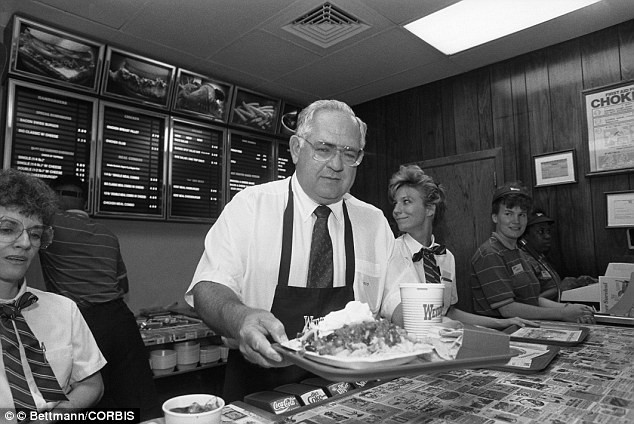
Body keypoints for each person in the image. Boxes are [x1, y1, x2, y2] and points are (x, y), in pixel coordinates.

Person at [185, 99, 395, 402]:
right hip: (261, 389)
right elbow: (208, 288)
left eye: (349, 154)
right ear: (297, 149)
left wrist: (425, 325)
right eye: (324, 149)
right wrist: (240, 318)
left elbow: (396, 295)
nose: (337, 165)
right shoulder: (250, 206)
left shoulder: (373, 221)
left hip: (351, 393)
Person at [38, 174, 158, 418]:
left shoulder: (51, 225)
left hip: (85, 320)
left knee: (90, 399)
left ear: (54, 198)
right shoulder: (106, 233)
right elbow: (122, 284)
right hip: (120, 321)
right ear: (84, 201)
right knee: (138, 398)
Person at [0, 168, 105, 418]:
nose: (25, 243)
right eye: (7, 229)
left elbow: (91, 384)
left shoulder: (62, 309)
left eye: (35, 234)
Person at [381, 165, 537, 329]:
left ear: (430, 209)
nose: (396, 211)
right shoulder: (391, 251)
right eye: (395, 203)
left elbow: (448, 312)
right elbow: (402, 315)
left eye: (406, 202)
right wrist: (453, 326)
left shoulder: (446, 257)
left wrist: (501, 323)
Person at [468, 181, 595, 323]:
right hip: (502, 333)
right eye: (508, 213)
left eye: (521, 215)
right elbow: (508, 309)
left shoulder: (518, 251)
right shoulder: (490, 253)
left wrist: (569, 308)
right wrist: (562, 314)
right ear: (495, 217)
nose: (516, 221)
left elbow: (534, 299)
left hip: (527, 327)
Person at [519, 209, 597, 301]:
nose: (547, 236)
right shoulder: (523, 260)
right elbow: (530, 301)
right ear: (525, 235)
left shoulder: (540, 257)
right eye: (541, 232)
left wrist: (577, 282)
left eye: (548, 231)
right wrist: (560, 288)